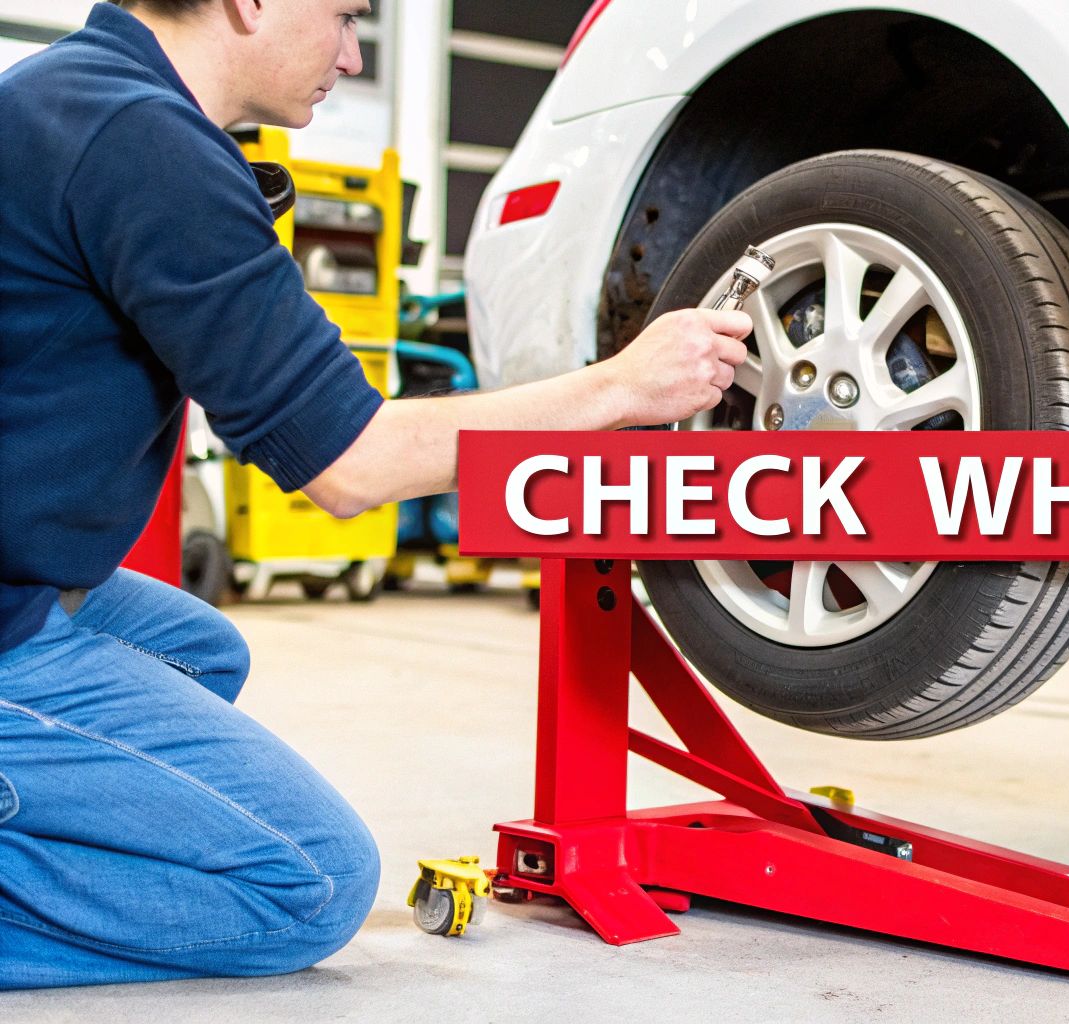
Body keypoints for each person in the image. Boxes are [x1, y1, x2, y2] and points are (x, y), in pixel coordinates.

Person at [0, 0, 750, 989]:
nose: (352, 55)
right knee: (307, 884)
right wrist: (622, 385)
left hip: (23, 573)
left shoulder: (68, 95)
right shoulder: (142, 144)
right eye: (346, 17)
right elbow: (351, 465)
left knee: (200, 651)